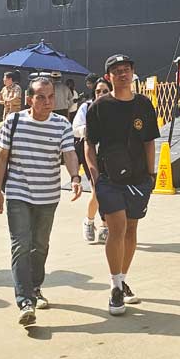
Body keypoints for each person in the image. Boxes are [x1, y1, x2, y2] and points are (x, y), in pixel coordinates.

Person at [0, 77, 83, 326]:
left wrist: (75, 177)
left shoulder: (61, 124)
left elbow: (69, 154)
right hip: (18, 193)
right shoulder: (14, 121)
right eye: (41, 97)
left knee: (40, 246)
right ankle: (25, 301)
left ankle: (35, 287)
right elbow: (1, 158)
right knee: (20, 245)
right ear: (29, 99)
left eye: (51, 97)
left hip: (48, 196)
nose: (47, 102)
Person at [84, 53, 160, 316]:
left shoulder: (144, 105)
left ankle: (123, 278)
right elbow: (89, 144)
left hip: (139, 178)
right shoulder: (99, 107)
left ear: (132, 72)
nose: (123, 74)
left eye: (126, 69)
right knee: (117, 228)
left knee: (131, 230)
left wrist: (151, 175)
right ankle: (115, 286)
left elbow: (149, 141)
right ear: (109, 77)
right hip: (110, 179)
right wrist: (95, 177)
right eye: (117, 71)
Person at [73, 77, 112, 244]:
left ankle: (105, 226)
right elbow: (75, 129)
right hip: (90, 154)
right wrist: (91, 129)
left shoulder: (116, 107)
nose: (101, 94)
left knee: (109, 192)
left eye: (105, 91)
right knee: (97, 190)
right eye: (98, 91)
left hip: (111, 155)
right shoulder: (86, 107)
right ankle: (89, 221)